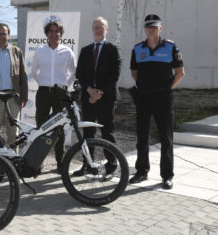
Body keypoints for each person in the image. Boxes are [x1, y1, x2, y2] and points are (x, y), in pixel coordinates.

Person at [129, 14, 185, 190]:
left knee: (166, 138)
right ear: (145, 29)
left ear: (160, 28)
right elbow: (134, 73)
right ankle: (141, 171)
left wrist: (167, 88)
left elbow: (180, 73)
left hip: (163, 98)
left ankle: (167, 176)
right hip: (143, 97)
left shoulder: (171, 47)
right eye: (148, 27)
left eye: (155, 26)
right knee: (142, 137)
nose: (151, 29)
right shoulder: (138, 49)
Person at [74, 17, 121, 179]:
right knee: (88, 132)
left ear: (106, 30)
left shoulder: (112, 49)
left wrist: (99, 93)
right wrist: (89, 91)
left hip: (106, 98)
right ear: (92, 30)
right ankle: (88, 163)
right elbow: (79, 73)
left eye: (101, 27)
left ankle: (111, 165)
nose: (98, 30)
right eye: (96, 27)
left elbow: (114, 75)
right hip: (87, 97)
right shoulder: (85, 50)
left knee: (107, 132)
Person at [31, 20, 76, 173]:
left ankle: (60, 163)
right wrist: (44, 84)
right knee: (41, 128)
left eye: (57, 31)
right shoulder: (40, 51)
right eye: (51, 31)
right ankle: (37, 163)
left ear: (60, 34)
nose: (54, 34)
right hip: (43, 93)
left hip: (60, 94)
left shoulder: (67, 51)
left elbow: (73, 73)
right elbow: (34, 72)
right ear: (47, 34)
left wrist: (64, 86)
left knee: (59, 129)